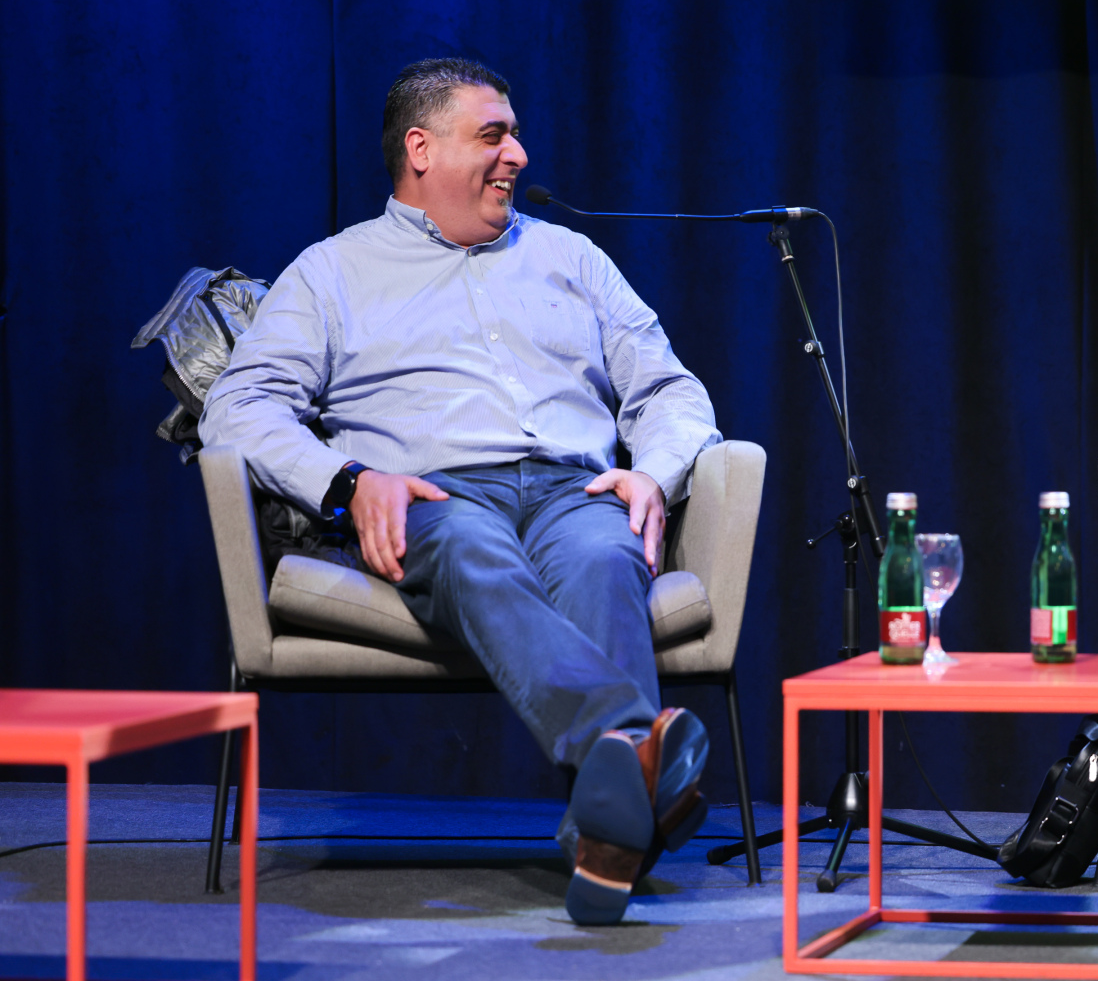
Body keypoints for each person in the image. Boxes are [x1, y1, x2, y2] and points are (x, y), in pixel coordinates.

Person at [200, 57, 722, 925]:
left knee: (605, 558)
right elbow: (239, 405)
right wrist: (348, 482)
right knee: (475, 553)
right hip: (436, 499)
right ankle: (630, 760)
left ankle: (608, 825)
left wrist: (652, 472)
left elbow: (669, 389)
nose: (518, 154)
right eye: (494, 135)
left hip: (575, 490)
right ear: (421, 149)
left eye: (515, 135)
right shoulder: (332, 272)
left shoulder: (571, 258)